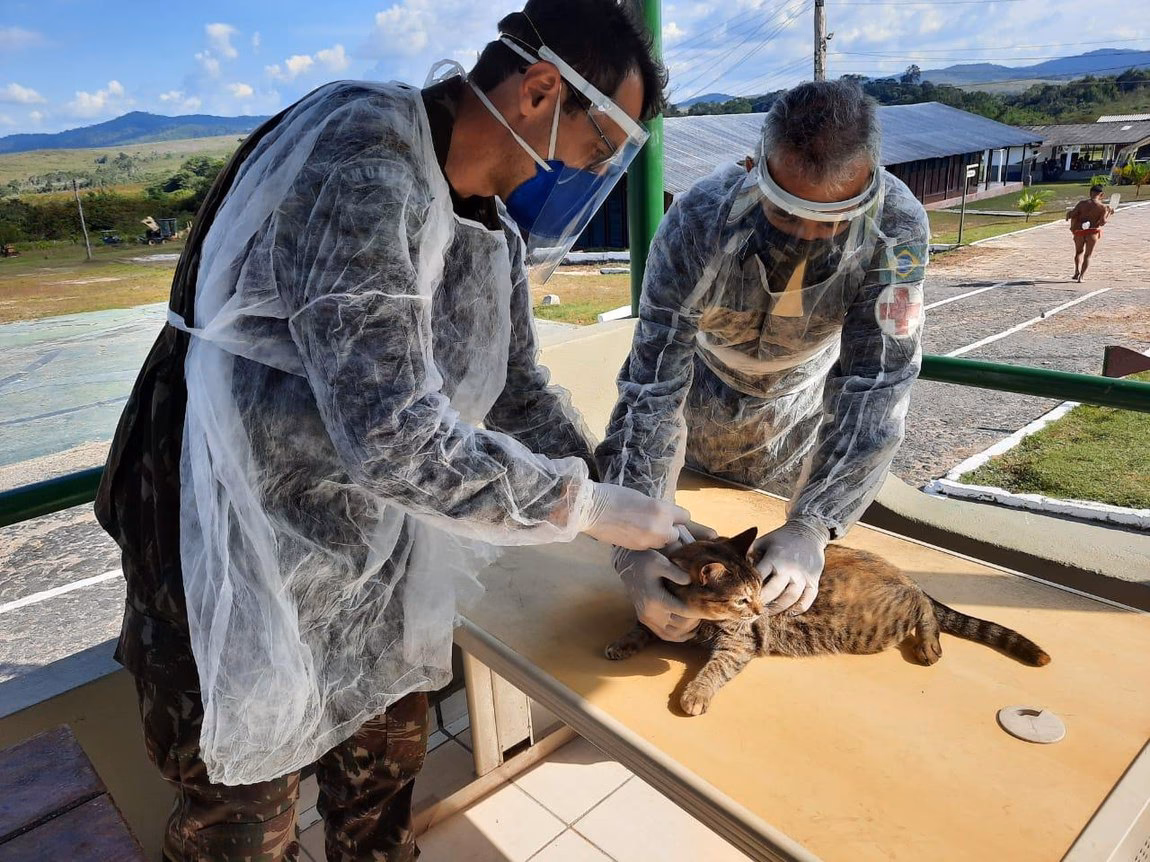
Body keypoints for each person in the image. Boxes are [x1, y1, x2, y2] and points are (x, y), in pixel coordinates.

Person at [95, 2, 682, 859]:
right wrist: (586, 508)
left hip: (362, 543)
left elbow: (517, 389)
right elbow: (395, 436)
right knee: (243, 818)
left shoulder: (488, 226)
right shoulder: (363, 161)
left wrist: (625, 530)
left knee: (381, 774)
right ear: (540, 90)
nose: (589, 174)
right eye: (596, 149)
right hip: (224, 521)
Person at [596, 81, 929, 642]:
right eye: (789, 215)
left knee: (770, 593)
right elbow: (653, 383)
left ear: (871, 179)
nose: (811, 237)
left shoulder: (896, 229)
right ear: (755, 170)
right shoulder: (700, 219)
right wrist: (632, 539)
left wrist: (814, 523)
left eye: (835, 219)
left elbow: (877, 381)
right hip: (698, 408)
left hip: (796, 424)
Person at [1065, 184, 1114, 282]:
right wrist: (1109, 213)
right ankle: (1081, 277)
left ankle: (1076, 271)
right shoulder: (1102, 207)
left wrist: (1069, 214)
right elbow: (1102, 222)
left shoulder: (1081, 204)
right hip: (1092, 232)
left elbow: (1072, 214)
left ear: (1090, 193)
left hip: (1079, 232)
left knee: (1078, 252)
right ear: (1101, 195)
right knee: (1087, 255)